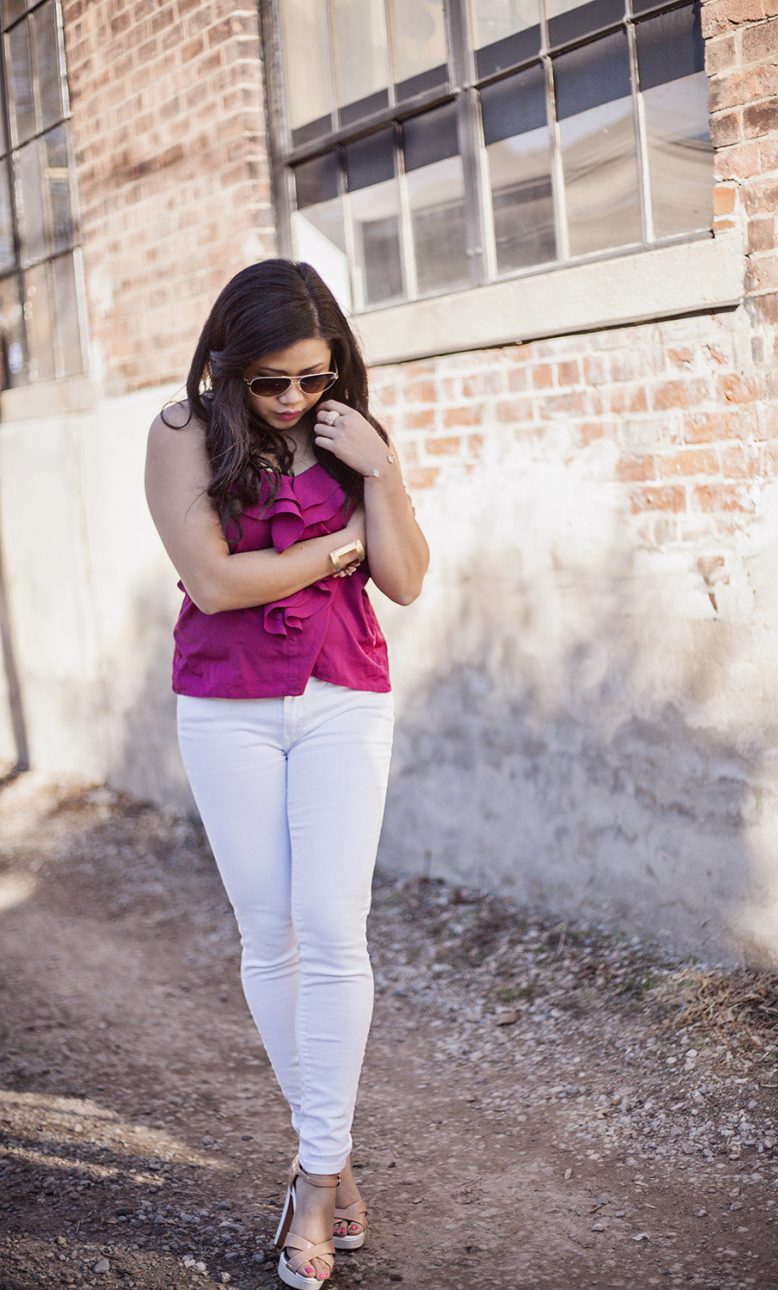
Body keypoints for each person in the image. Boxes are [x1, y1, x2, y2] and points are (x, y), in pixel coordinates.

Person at [144, 259, 429, 1289]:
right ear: (225, 364)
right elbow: (216, 580)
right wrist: (334, 547)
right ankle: (336, 1159)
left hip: (342, 693)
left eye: (312, 377)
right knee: (268, 932)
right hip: (227, 706)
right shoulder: (182, 435)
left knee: (333, 924)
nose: (294, 401)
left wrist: (381, 475)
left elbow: (401, 579)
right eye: (271, 382)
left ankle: (314, 1179)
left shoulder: (352, 433)